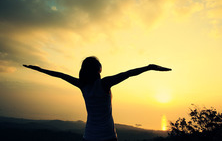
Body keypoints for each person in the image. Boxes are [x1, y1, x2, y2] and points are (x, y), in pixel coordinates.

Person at [23, 56, 171, 141]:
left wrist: (39, 69)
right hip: (108, 136)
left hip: (88, 136)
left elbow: (60, 75)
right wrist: (149, 67)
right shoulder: (104, 83)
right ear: (98, 69)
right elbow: (128, 73)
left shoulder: (82, 85)